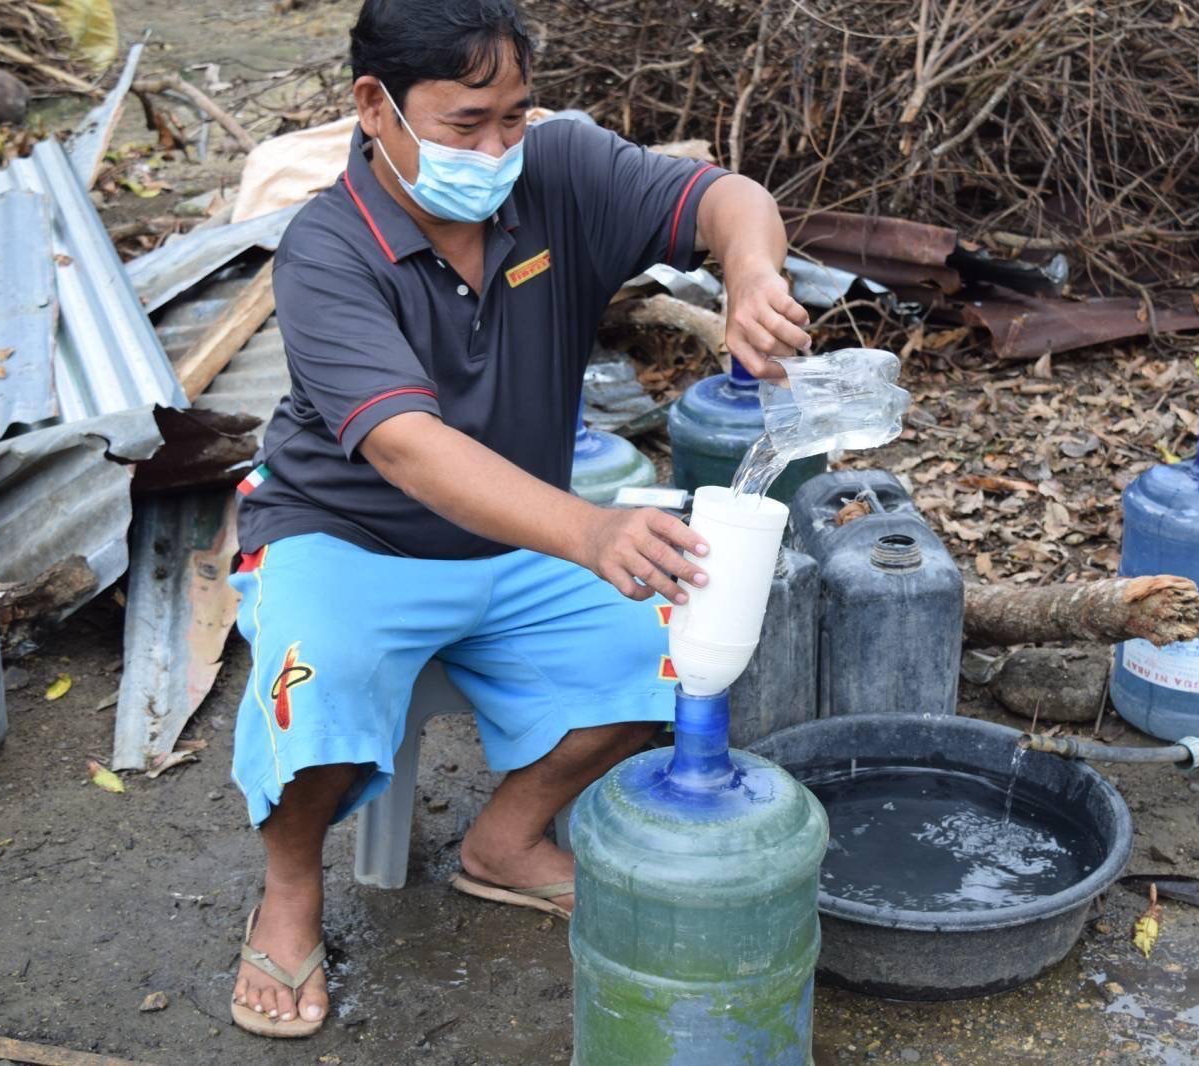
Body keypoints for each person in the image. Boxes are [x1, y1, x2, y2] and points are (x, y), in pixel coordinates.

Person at [225, 0, 813, 1039]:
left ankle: (503, 841)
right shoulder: (325, 254)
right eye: (467, 123)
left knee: (682, 650)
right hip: (345, 534)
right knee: (314, 691)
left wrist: (752, 271)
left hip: (516, 535)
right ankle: (289, 891)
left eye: (515, 115)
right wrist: (591, 532)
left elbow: (726, 197)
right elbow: (406, 445)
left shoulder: (559, 171)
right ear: (375, 105)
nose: (498, 147)